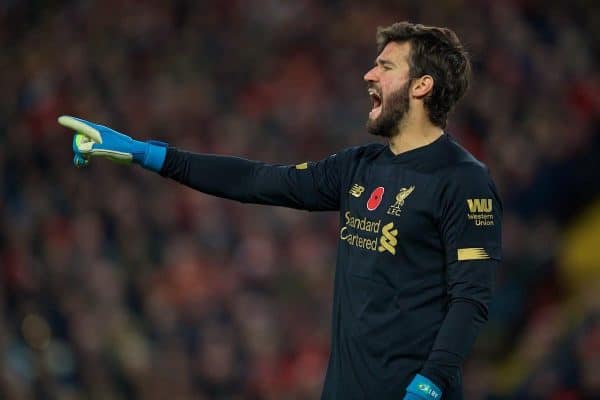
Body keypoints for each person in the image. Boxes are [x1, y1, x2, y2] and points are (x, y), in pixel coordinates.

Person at [59, 21, 502, 400]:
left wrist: (431, 381)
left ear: (422, 85)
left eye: (385, 67)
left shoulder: (463, 180)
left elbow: (471, 298)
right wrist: (145, 153)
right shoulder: (359, 167)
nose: (369, 74)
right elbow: (257, 181)